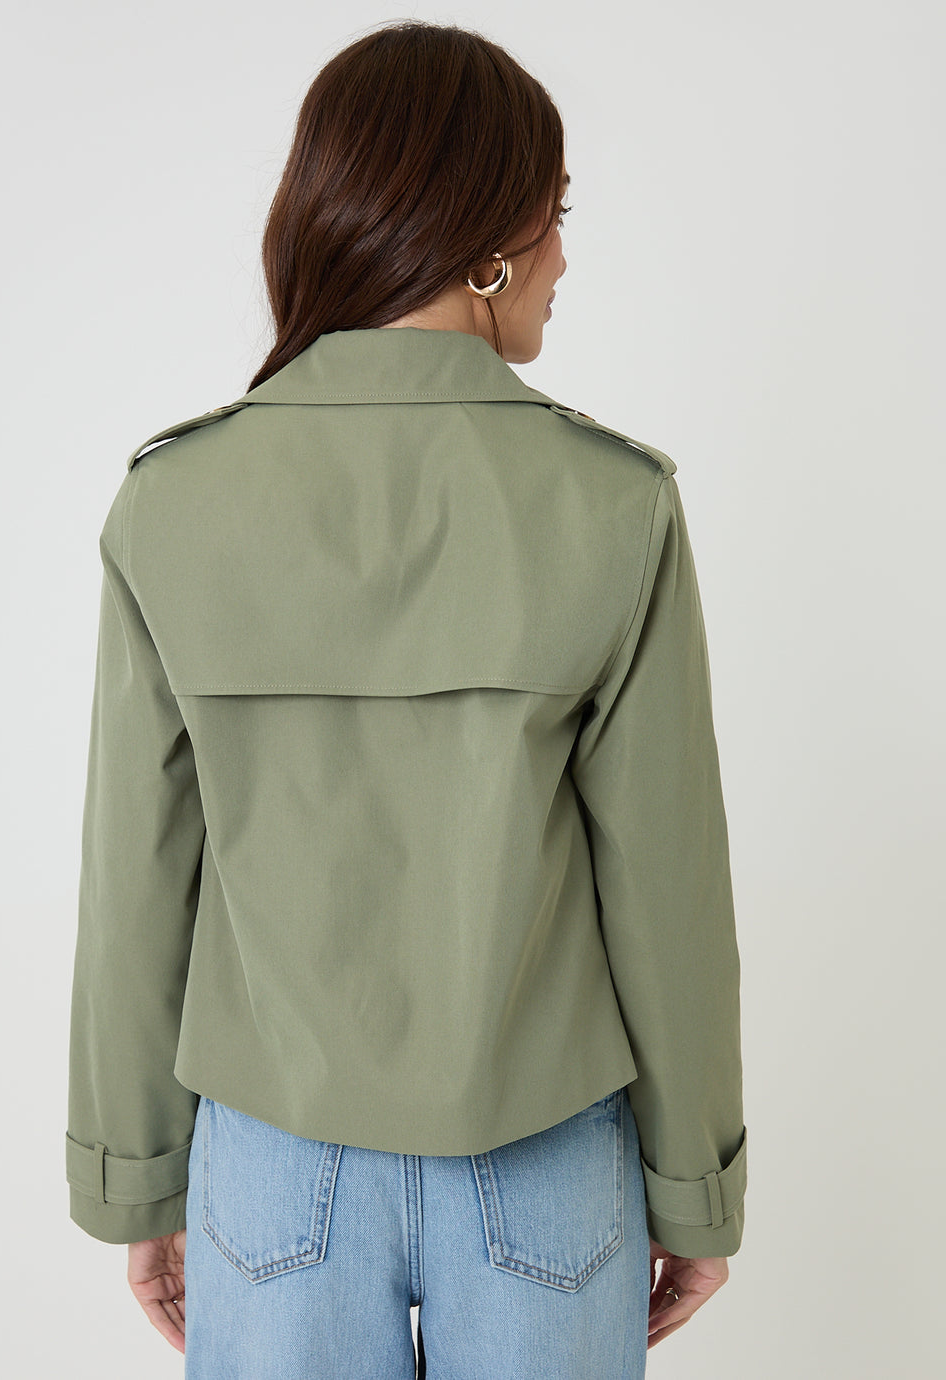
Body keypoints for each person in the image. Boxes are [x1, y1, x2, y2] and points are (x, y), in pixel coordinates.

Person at [65, 19, 748, 1378]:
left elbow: (136, 874)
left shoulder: (175, 498)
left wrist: (135, 1179)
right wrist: (696, 1192)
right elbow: (667, 888)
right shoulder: (613, 505)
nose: (565, 258)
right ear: (488, 246)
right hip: (548, 1157)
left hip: (270, 1161)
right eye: (555, 218)